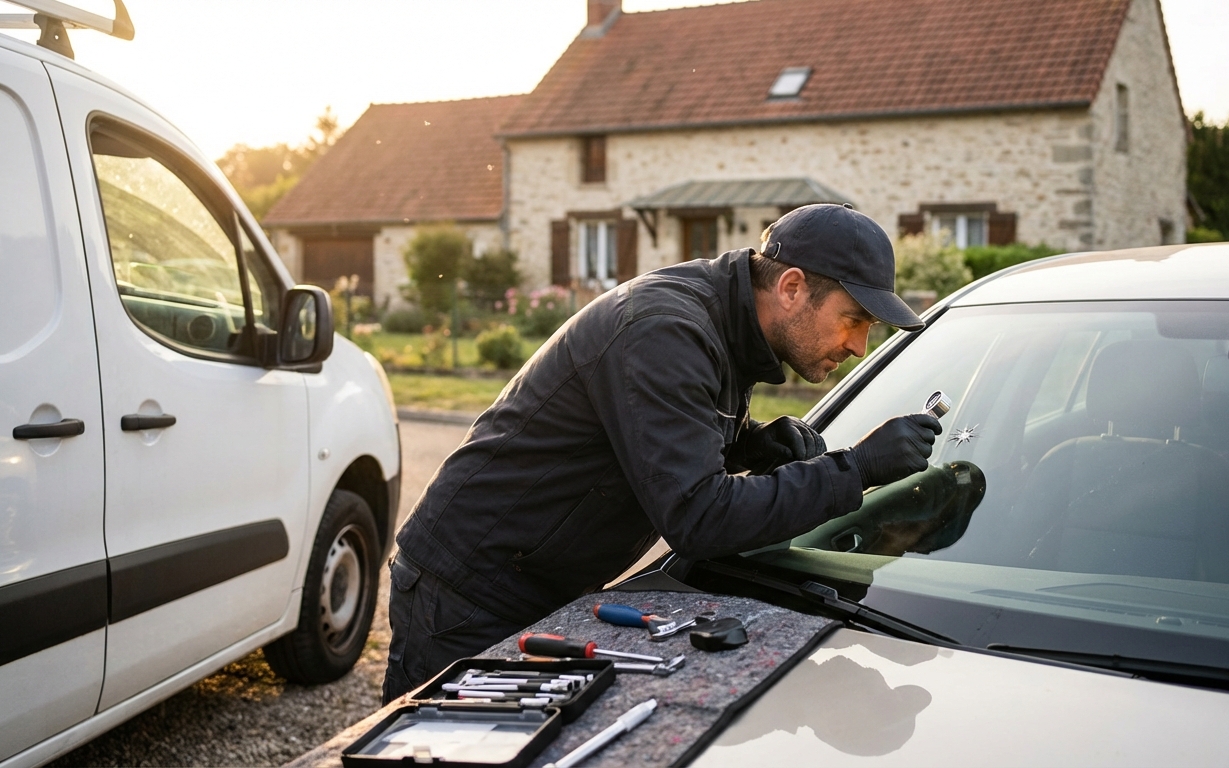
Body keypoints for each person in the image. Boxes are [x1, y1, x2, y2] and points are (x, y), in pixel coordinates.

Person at [383, 204, 943, 701]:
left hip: (541, 587)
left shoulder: (730, 326)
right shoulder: (664, 331)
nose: (857, 346)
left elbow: (655, 436)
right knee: (448, 748)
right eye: (854, 321)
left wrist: (752, 444)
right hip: (467, 595)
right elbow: (700, 517)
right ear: (792, 287)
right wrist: (856, 469)